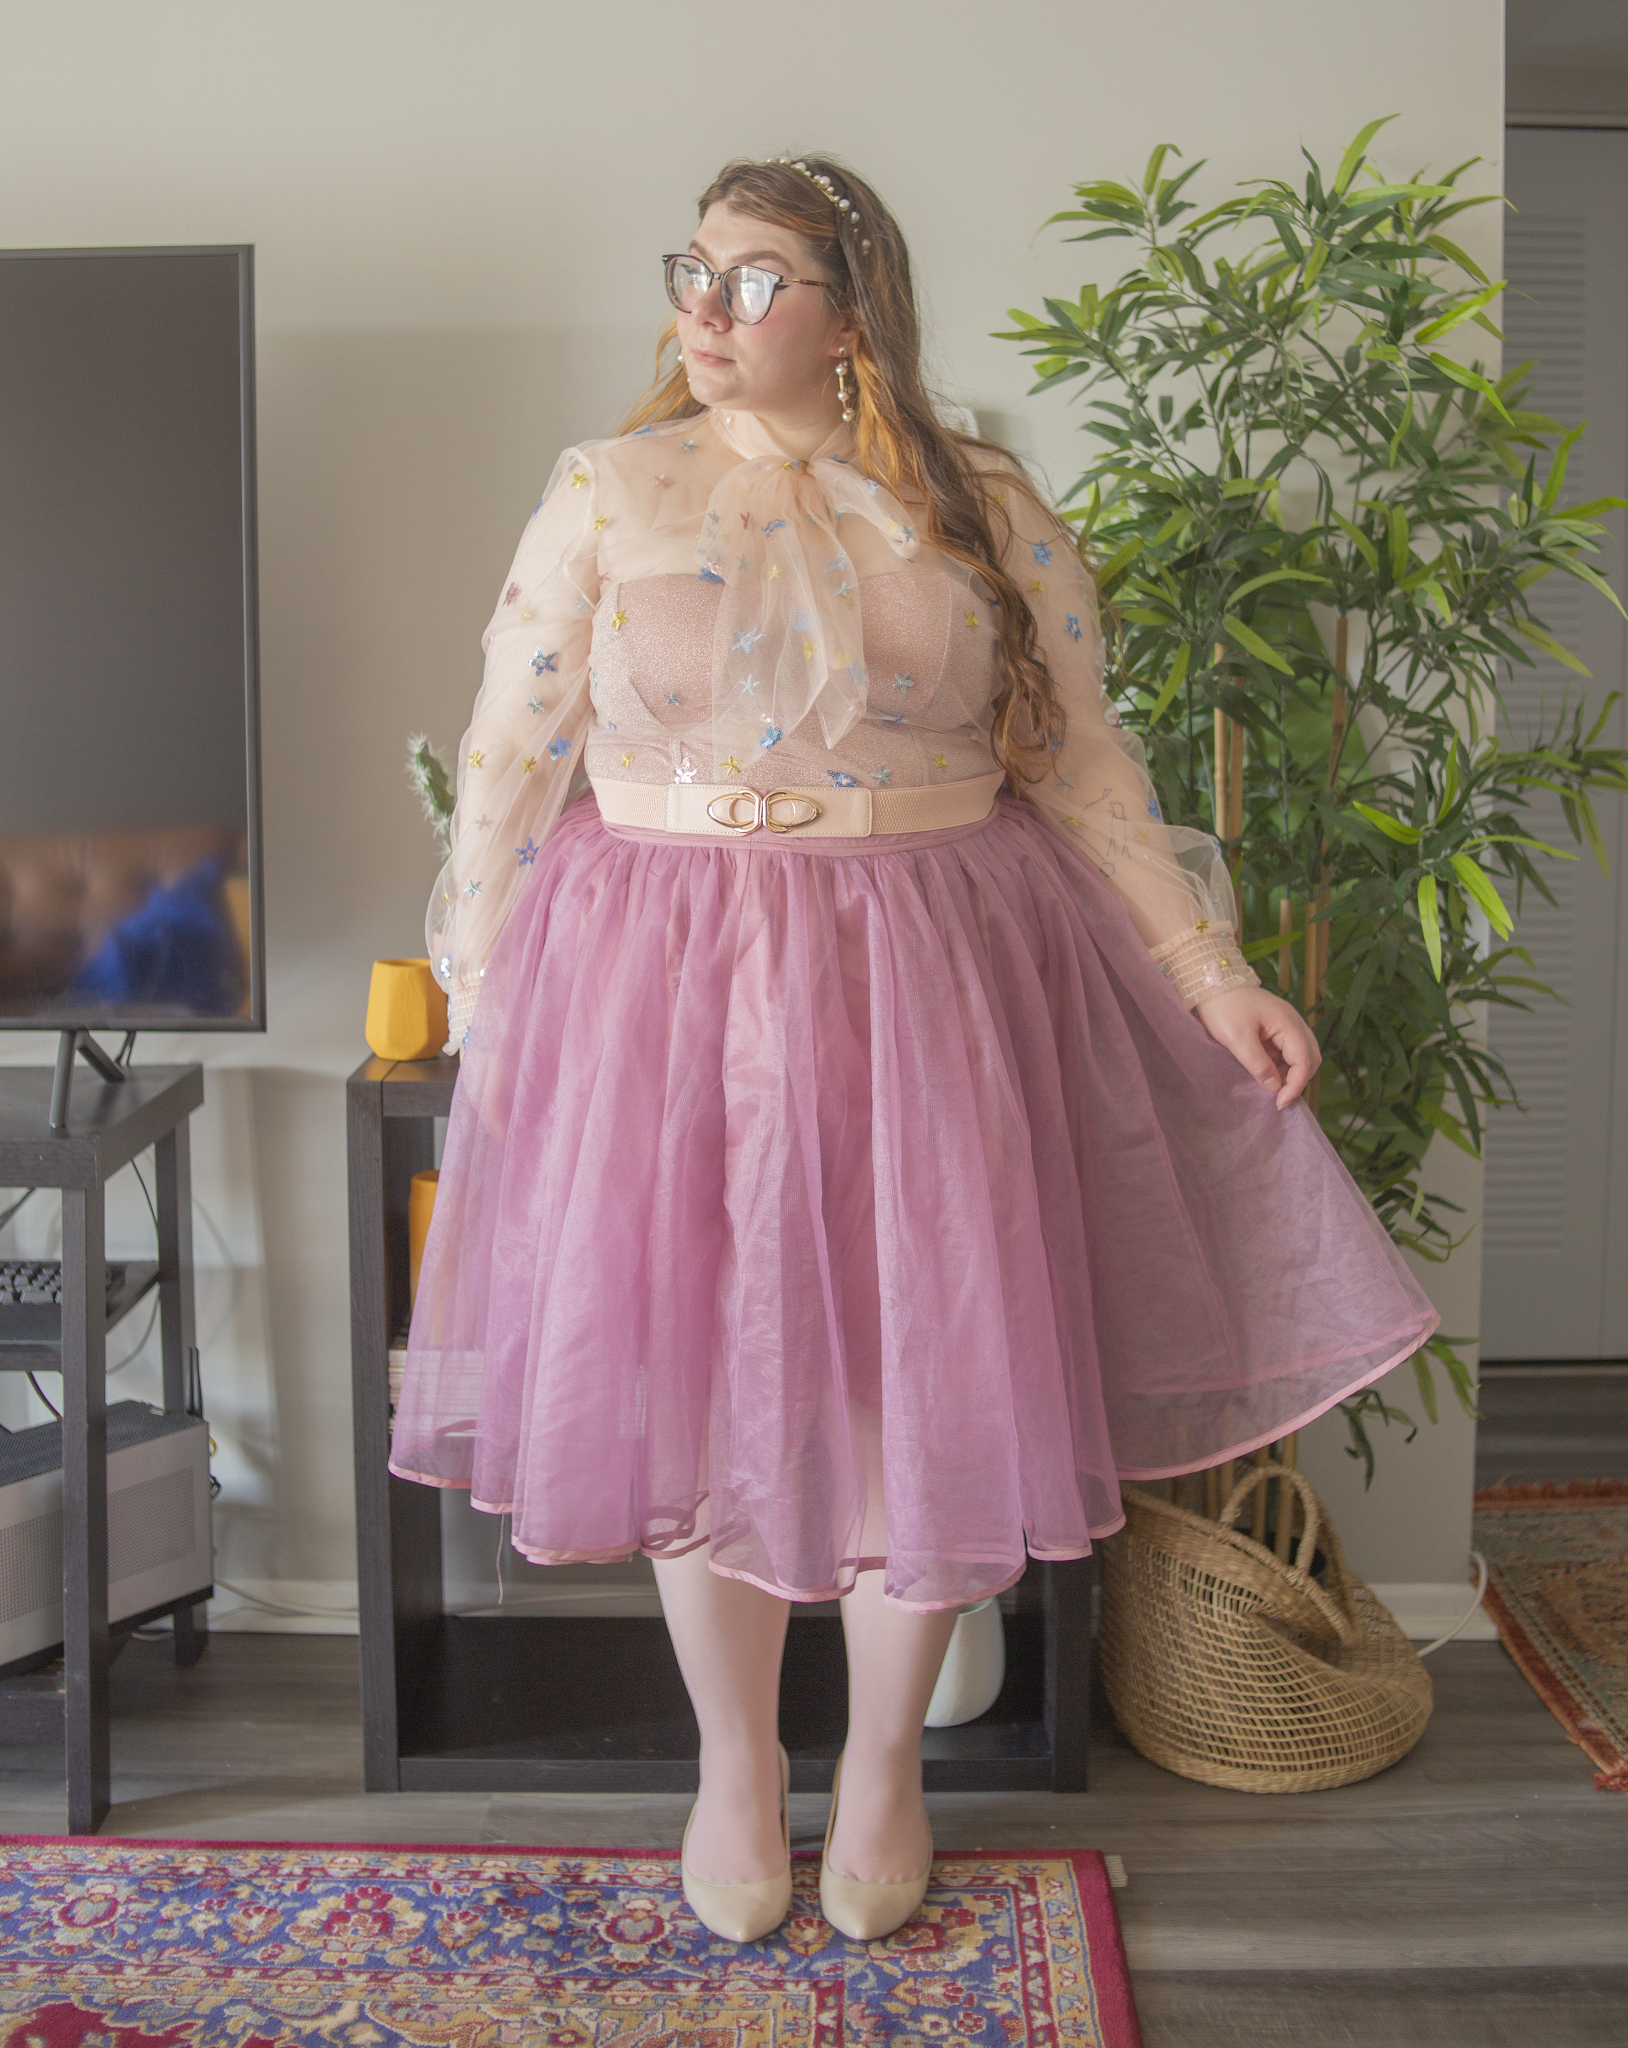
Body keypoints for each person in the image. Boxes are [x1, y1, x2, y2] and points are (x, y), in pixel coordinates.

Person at [390, 154, 1437, 1945]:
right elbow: (510, 752)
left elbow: (1080, 756)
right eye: (695, 272)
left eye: (754, 280)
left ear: (854, 313)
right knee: (688, 1372)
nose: (702, 314)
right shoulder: (606, 488)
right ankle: (736, 1765)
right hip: (665, 978)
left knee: (908, 1375)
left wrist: (1210, 973)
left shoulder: (983, 503)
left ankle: (878, 1765)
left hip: (922, 972)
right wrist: (490, 1008)